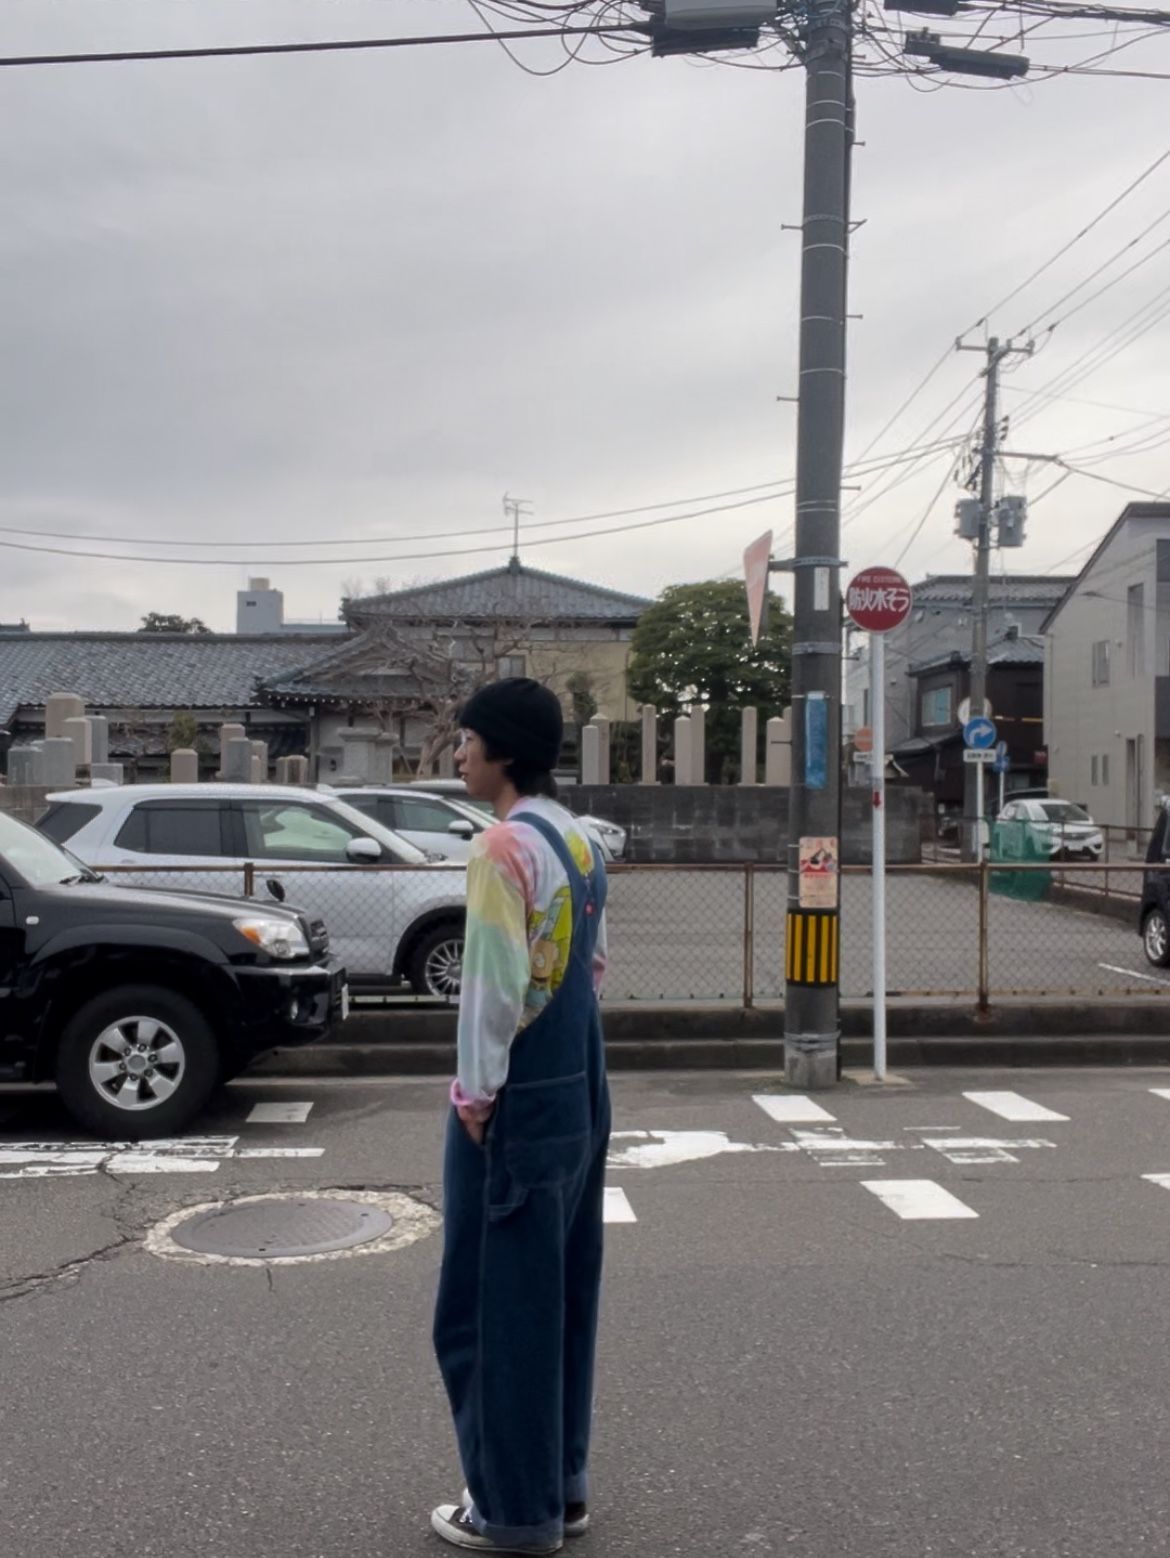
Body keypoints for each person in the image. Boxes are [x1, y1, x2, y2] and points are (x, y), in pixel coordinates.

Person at [431, 678, 610, 1556]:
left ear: (502, 750)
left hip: (518, 1098)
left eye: (467, 739)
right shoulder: (579, 839)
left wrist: (475, 1095)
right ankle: (559, 1488)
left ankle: (510, 1510)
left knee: (490, 1308)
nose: (458, 753)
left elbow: (492, 989)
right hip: (579, 1082)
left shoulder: (500, 847)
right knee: (562, 1295)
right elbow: (592, 966)